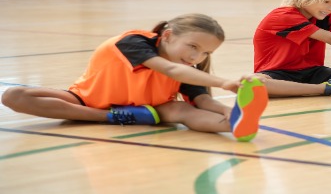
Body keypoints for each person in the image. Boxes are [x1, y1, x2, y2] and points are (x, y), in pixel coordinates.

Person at [1, 13, 269, 142]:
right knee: (14, 95)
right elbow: (170, 70)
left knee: (184, 110)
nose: (197, 57)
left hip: (153, 109)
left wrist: (232, 110)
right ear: (167, 36)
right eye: (193, 47)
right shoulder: (134, 42)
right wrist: (225, 83)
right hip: (88, 100)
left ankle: (233, 126)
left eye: (205, 53)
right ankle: (111, 117)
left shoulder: (189, 66)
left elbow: (202, 100)